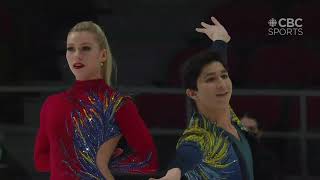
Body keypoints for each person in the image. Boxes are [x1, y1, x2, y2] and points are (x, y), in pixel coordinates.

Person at [34, 21, 159, 180]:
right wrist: (86, 161)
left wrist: (104, 163)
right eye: (71, 49)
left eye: (85, 48)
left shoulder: (117, 104)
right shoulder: (52, 104)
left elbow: (148, 160)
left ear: (103, 55)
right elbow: (40, 160)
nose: (77, 55)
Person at [150, 17, 254, 180]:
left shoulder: (225, 111)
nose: (222, 85)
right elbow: (185, 155)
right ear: (193, 93)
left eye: (224, 76)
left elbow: (216, 65)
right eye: (211, 79)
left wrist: (220, 40)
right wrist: (172, 174)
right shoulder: (201, 135)